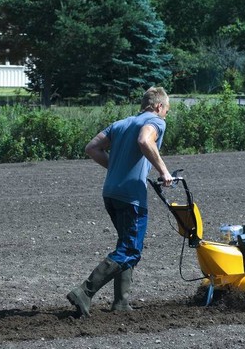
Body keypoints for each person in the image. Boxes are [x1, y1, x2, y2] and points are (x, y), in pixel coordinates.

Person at [66, 86, 173, 317]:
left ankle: (121, 302)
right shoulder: (156, 121)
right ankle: (84, 291)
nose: (166, 116)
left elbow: (92, 148)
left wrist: (116, 167)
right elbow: (145, 141)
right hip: (131, 196)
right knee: (131, 249)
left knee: (125, 244)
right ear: (159, 106)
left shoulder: (121, 123)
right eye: (166, 111)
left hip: (111, 192)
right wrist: (163, 171)